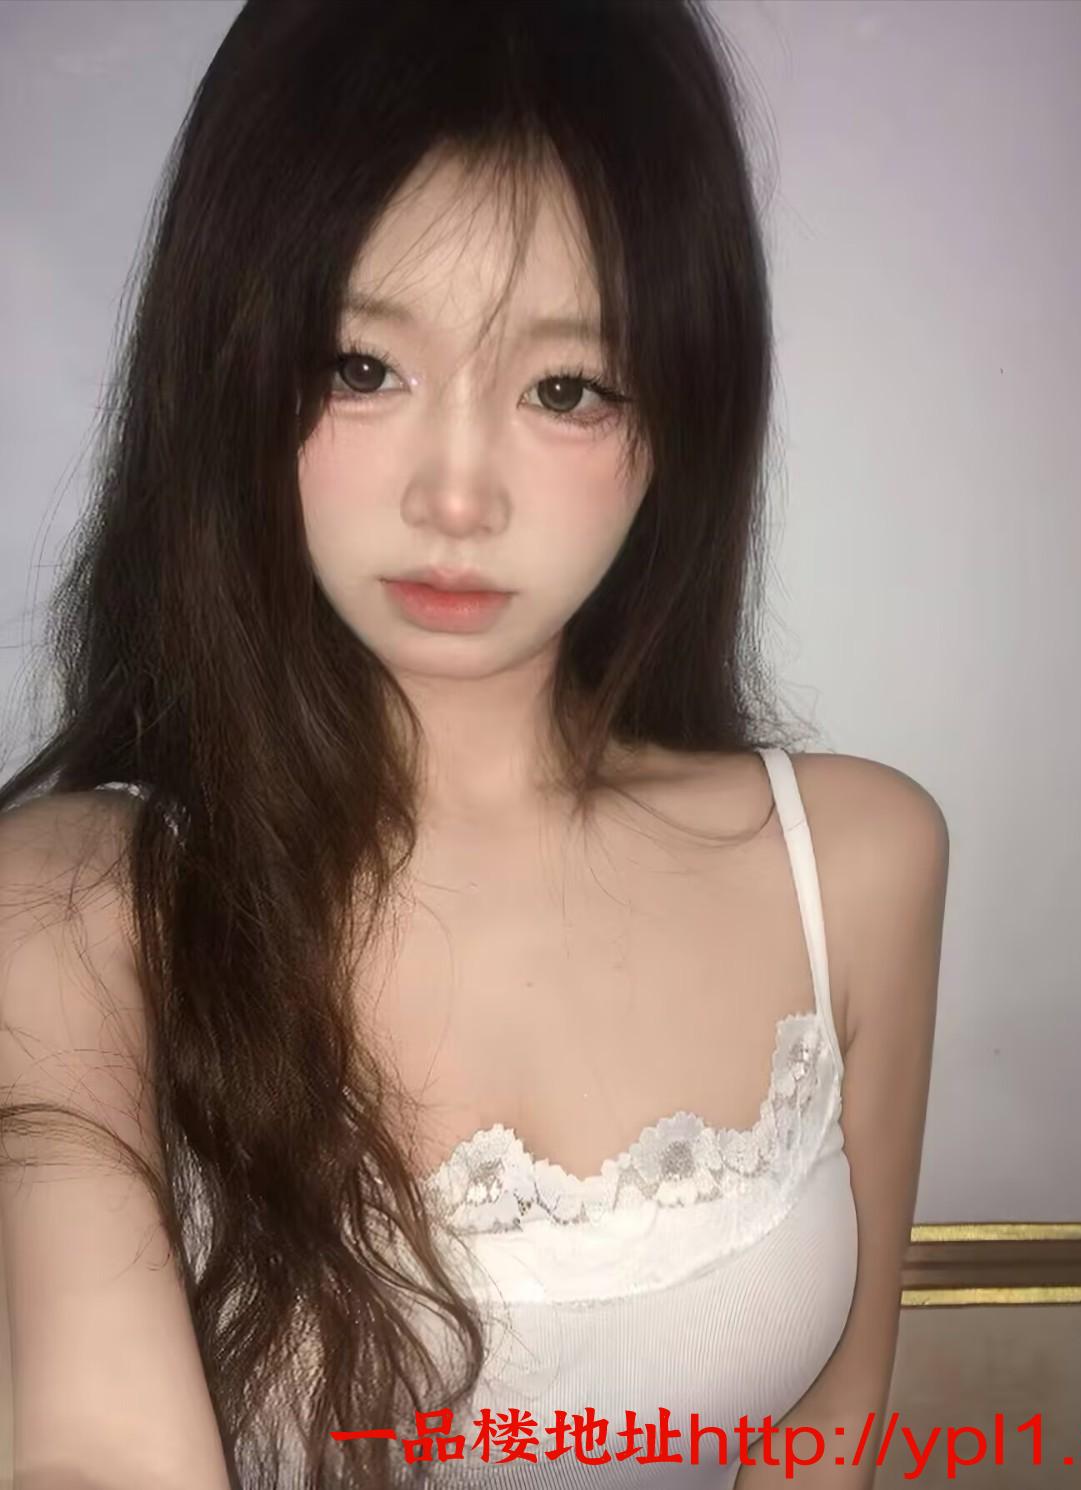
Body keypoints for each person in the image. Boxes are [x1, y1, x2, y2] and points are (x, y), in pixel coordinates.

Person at [0, 1, 950, 1487]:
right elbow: (98, 1445)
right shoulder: (74, 907)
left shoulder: (859, 863)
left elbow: (838, 1414)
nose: (457, 496)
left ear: (682, 413)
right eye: (361, 367)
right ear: (233, 373)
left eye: (564, 389)